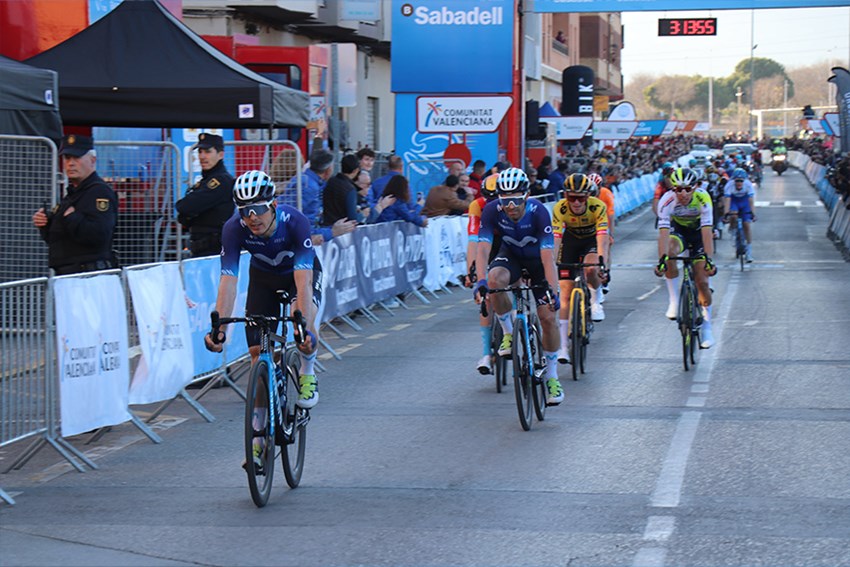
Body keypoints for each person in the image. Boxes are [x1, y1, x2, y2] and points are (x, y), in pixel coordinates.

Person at [472, 168, 563, 405]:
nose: (510, 206)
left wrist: (554, 291)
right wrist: (480, 281)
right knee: (494, 280)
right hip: (510, 256)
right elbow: (483, 249)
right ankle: (508, 332)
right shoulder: (491, 210)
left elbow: (548, 258)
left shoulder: (538, 211)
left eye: (515, 199)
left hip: (537, 261)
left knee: (548, 318)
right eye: (505, 200)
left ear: (527, 195)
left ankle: (552, 377)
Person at [32, 134, 118, 275]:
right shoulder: (73, 193)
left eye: (76, 158)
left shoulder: (99, 192)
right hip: (70, 273)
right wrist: (46, 224)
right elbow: (59, 240)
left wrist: (72, 217)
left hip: (88, 275)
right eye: (67, 158)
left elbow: (99, 235)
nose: (70, 163)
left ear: (92, 160)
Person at [654, 168, 717, 349]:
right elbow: (663, 234)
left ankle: (707, 328)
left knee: (702, 281)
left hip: (698, 234)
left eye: (687, 189)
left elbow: (707, 232)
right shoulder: (666, 200)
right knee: (670, 253)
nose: (683, 193)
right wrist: (662, 260)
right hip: (679, 231)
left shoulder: (703, 198)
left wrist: (709, 259)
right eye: (678, 189)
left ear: (695, 187)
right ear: (672, 189)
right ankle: (674, 301)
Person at [552, 174, 609, 363]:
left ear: (588, 196)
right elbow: (556, 240)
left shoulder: (597, 206)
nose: (576, 202)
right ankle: (563, 347)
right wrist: (552, 263)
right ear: (566, 195)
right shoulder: (560, 208)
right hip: (570, 241)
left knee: (591, 268)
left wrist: (602, 264)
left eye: (581, 198)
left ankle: (595, 299)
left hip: (591, 241)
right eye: (572, 197)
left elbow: (602, 239)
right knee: (565, 295)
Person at [175, 133, 235, 257]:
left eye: (207, 152)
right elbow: (183, 216)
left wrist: (191, 213)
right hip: (202, 249)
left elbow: (184, 207)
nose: (202, 156)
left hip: (214, 250)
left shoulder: (221, 181)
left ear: (220, 154)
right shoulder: (206, 181)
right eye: (200, 152)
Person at [464, 175, 500, 374]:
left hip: (509, 244)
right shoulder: (477, 206)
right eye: (488, 198)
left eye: (496, 198)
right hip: (487, 244)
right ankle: (486, 353)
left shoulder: (512, 206)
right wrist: (471, 273)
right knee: (485, 299)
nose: (491, 202)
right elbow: (473, 242)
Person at [587, 172, 615, 298]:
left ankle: (606, 273)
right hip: (588, 225)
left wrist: (611, 234)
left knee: (605, 247)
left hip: (603, 224)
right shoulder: (585, 194)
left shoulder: (606, 193)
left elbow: (610, 215)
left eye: (597, 188)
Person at [722, 168, 756, 262]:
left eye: (741, 181)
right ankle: (733, 228)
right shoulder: (729, 185)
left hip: (745, 202)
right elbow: (727, 201)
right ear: (734, 180)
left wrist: (753, 213)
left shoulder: (748, 185)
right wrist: (726, 214)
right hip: (734, 201)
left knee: (747, 225)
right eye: (737, 181)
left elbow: (751, 201)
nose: (739, 183)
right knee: (733, 215)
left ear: (744, 180)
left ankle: (749, 252)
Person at [322, 154, 361, 226]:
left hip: (326, 224)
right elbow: (352, 218)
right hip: (341, 228)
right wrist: (362, 215)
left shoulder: (330, 181)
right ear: (356, 170)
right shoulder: (350, 189)